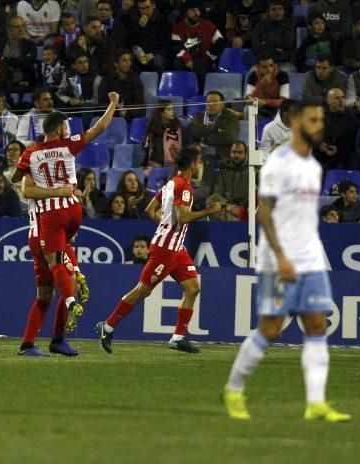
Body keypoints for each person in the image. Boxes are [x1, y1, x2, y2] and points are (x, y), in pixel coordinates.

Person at [222, 100, 351, 422]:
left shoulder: (314, 167)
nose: (320, 124)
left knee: (318, 325)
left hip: (310, 256)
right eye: (313, 118)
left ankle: (316, 402)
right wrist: (281, 257)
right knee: (270, 329)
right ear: (296, 123)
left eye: (322, 119)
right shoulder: (276, 164)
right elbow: (264, 212)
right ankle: (234, 389)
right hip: (279, 257)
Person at [96, 147, 222, 353]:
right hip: (165, 250)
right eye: (198, 162)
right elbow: (182, 217)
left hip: (176, 248)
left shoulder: (170, 183)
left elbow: (149, 210)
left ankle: (178, 337)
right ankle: (107, 326)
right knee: (142, 290)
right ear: (192, 164)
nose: (200, 166)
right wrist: (209, 210)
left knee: (193, 288)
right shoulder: (185, 188)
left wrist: (165, 227)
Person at [14, 93, 120, 336]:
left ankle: (67, 311)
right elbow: (101, 127)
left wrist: (22, 171)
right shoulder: (68, 145)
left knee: (56, 273)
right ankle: (57, 333)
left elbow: (23, 187)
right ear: (61, 128)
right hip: (71, 212)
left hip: (49, 219)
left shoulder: (31, 154)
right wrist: (113, 102)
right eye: (66, 125)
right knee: (59, 281)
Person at [14, 169, 89, 357]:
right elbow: (28, 192)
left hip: (44, 236)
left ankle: (29, 343)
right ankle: (57, 339)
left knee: (45, 294)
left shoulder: (50, 179)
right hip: (45, 238)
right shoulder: (39, 183)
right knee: (70, 285)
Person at [172, 0, 226, 81]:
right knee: (178, 62)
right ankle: (183, 89)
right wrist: (185, 55)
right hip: (185, 58)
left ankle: (200, 91)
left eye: (198, 10)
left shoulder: (208, 25)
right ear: (185, 13)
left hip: (203, 61)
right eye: (193, 10)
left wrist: (208, 55)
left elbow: (220, 43)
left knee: (198, 63)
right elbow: (175, 46)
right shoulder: (178, 27)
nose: (196, 13)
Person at [0, 15, 38, 92]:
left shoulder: (30, 44)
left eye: (22, 26)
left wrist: (5, 59)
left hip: (24, 83)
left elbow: (28, 62)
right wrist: (20, 61)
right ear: (9, 29)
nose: (21, 29)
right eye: (17, 27)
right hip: (1, 83)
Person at [314, 88, 360, 172]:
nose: (341, 101)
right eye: (337, 98)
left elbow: (353, 144)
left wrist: (338, 149)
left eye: (342, 97)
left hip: (343, 158)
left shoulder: (352, 120)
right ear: (328, 101)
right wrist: (318, 145)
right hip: (321, 156)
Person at [189, 91, 240, 161]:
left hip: (221, 156)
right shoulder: (199, 115)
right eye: (208, 102)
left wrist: (203, 137)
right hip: (200, 155)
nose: (211, 104)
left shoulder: (231, 117)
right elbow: (194, 130)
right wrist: (215, 130)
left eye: (215, 102)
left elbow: (229, 138)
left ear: (222, 104)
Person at [142, 100, 188, 175]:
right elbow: (146, 147)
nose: (173, 111)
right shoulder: (152, 128)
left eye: (173, 109)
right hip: (155, 165)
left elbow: (185, 145)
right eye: (169, 109)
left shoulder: (178, 128)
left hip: (175, 166)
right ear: (161, 113)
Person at [98, 49, 146, 122]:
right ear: (116, 64)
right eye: (124, 60)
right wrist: (115, 110)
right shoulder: (107, 80)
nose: (128, 63)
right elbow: (101, 103)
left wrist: (127, 111)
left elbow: (140, 104)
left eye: (129, 60)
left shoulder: (135, 79)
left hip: (130, 118)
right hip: (110, 118)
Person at [56, 52, 101, 127]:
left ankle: (85, 134)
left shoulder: (96, 78)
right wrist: (69, 100)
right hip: (72, 107)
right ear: (74, 65)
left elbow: (96, 100)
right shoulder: (68, 75)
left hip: (90, 107)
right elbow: (60, 94)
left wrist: (82, 102)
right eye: (80, 63)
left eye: (86, 62)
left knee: (88, 108)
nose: (84, 65)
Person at [126, 0, 172, 72]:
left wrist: (152, 54)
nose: (145, 11)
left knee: (157, 61)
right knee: (127, 59)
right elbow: (130, 43)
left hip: (156, 54)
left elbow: (167, 46)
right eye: (141, 8)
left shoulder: (163, 22)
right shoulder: (134, 21)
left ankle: (160, 82)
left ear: (153, 6)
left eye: (147, 7)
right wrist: (139, 28)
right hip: (139, 54)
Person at [251, 0, 296, 73]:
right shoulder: (260, 26)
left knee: (283, 73)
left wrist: (266, 44)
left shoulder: (290, 26)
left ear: (284, 11)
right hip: (264, 63)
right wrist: (277, 49)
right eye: (273, 9)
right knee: (252, 72)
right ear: (268, 11)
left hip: (284, 63)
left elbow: (288, 44)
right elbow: (256, 47)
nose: (277, 12)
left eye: (280, 9)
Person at [208, 141, 248, 220]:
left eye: (240, 152)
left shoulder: (252, 172)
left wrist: (242, 209)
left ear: (245, 154)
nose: (236, 155)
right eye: (234, 152)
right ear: (230, 153)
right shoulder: (223, 171)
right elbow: (217, 193)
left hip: (246, 211)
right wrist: (227, 206)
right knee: (210, 201)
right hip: (227, 210)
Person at [247, 53, 290, 119]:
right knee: (248, 109)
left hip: (276, 107)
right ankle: (252, 129)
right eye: (264, 67)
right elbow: (249, 100)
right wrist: (261, 85)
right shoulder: (252, 76)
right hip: (259, 106)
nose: (269, 70)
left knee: (283, 110)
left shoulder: (282, 76)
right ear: (258, 67)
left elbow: (285, 101)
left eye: (271, 66)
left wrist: (266, 102)